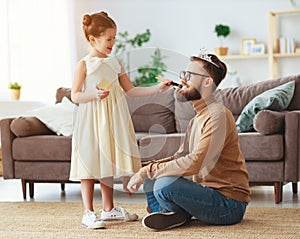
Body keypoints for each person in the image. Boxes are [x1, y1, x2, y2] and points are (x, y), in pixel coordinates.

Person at [127, 49, 251, 231]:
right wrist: (146, 170)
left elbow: (196, 162)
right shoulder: (196, 119)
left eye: (190, 75)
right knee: (152, 181)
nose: (183, 79)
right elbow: (181, 156)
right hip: (204, 193)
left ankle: (176, 213)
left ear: (207, 81)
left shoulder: (218, 115)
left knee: (162, 183)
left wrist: (149, 171)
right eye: (184, 74)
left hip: (229, 204)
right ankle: (174, 215)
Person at [69, 11, 171, 229]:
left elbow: (131, 91)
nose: (113, 43)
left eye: (114, 38)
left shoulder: (116, 64)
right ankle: (88, 213)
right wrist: (93, 95)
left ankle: (108, 209)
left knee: (106, 162)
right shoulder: (84, 65)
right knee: (89, 163)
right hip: (91, 119)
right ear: (92, 39)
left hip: (112, 119)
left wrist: (158, 88)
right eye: (109, 38)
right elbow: (75, 95)